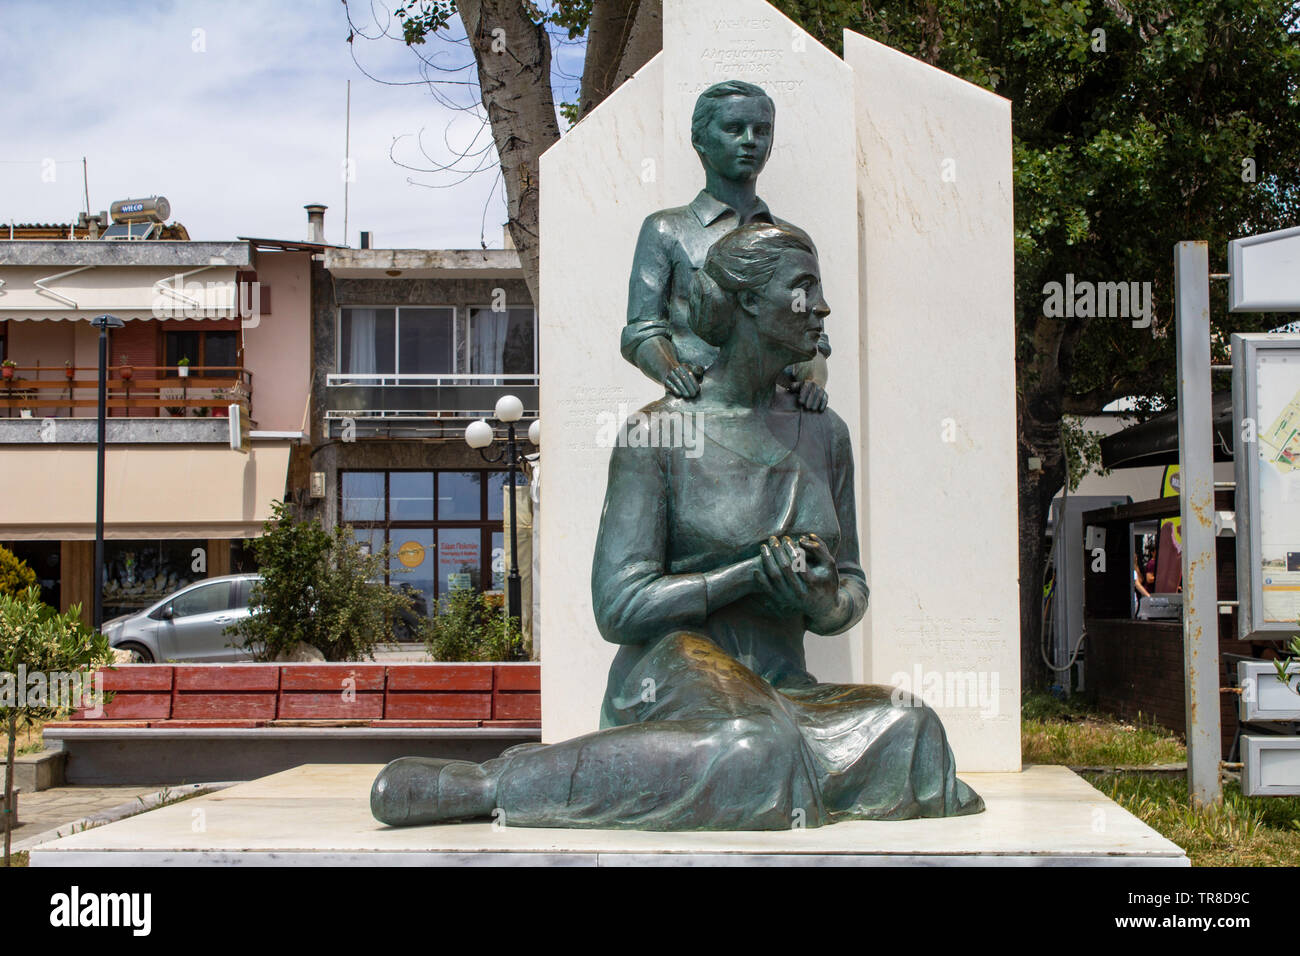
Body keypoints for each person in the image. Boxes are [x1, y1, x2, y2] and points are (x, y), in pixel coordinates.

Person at [370, 223, 982, 829]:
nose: (819, 307)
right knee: (756, 749)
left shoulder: (826, 434)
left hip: (780, 687)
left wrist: (823, 600)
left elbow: (850, 588)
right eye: (802, 289)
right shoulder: (656, 434)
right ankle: (490, 783)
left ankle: (768, 762)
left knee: (912, 728)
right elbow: (618, 609)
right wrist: (745, 576)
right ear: (745, 301)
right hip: (673, 672)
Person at [622, 80, 830, 411]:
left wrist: (813, 381)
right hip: (697, 406)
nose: (750, 141)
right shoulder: (666, 230)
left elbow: (815, 338)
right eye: (734, 129)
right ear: (700, 140)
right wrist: (672, 372)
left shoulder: (793, 241)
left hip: (779, 411)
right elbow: (642, 331)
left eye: (761, 130)